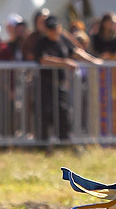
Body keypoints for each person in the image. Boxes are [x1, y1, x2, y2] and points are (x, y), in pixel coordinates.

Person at [35, 15, 101, 144]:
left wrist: (94, 61)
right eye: (51, 29)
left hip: (60, 84)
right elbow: (43, 59)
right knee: (45, 114)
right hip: (45, 85)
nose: (53, 32)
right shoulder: (41, 42)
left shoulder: (63, 40)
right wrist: (64, 62)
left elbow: (76, 52)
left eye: (55, 29)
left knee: (63, 113)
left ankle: (64, 143)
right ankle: (43, 144)